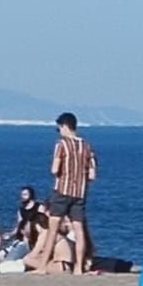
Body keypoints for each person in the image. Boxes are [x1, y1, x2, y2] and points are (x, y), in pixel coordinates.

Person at [30, 114, 96, 273]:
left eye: (58, 128)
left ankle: (43, 266)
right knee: (79, 230)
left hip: (62, 190)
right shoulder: (87, 146)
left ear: (64, 126)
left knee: (52, 229)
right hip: (80, 192)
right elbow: (92, 175)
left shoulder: (61, 145)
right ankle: (79, 267)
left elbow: (54, 169)